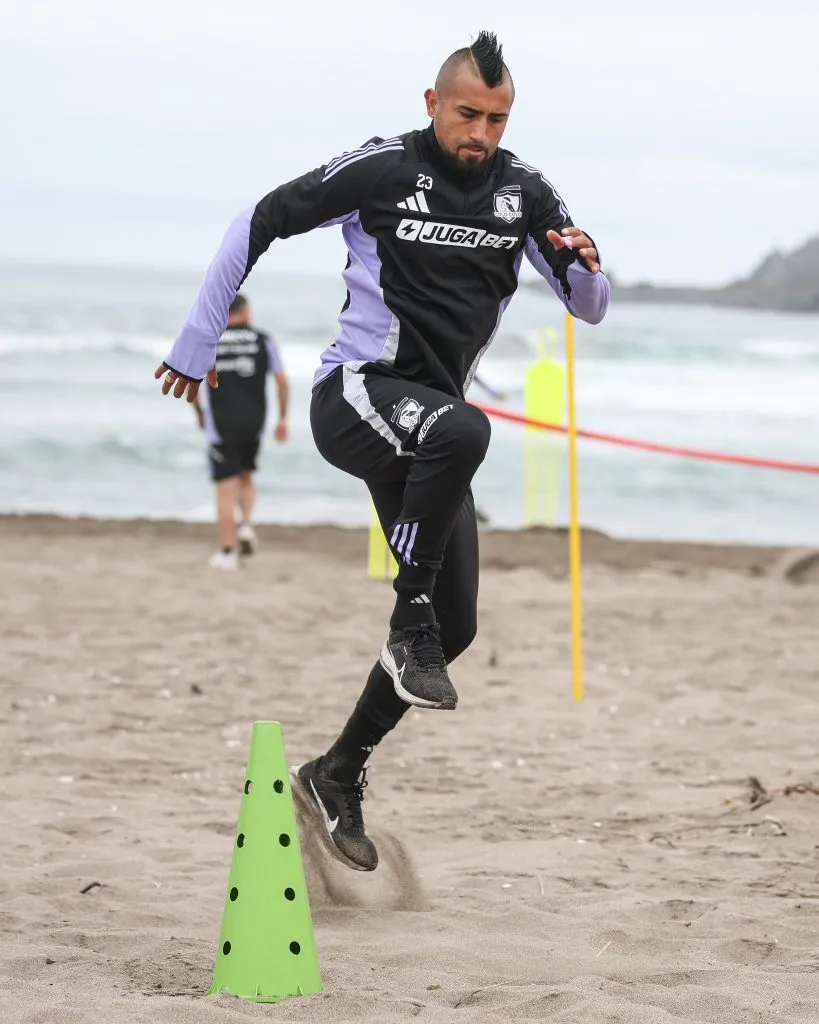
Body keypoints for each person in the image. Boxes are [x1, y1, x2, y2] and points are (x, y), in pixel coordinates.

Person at [155, 31, 609, 870]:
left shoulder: (524, 194)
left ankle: (337, 769)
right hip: (356, 397)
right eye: (466, 113)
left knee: (460, 624)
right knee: (466, 438)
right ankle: (406, 621)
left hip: (427, 430)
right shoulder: (382, 170)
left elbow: (587, 304)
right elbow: (255, 220)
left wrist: (585, 264)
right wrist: (197, 338)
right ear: (432, 103)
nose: (480, 133)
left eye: (496, 120)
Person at [192, 293, 289, 569]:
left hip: (222, 423)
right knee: (246, 474)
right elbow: (282, 380)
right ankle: (245, 524)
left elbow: (192, 382)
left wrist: (200, 414)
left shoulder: (211, 342)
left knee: (225, 485)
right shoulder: (263, 340)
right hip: (254, 422)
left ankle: (226, 552)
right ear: (247, 312)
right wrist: (282, 418)